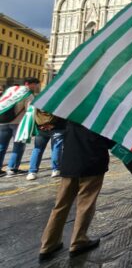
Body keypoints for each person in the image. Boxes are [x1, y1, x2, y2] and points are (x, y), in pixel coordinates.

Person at [39, 120, 114, 262]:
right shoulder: (101, 115)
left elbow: (59, 127)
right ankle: (78, 241)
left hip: (70, 163)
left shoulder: (73, 113)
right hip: (92, 163)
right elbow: (109, 141)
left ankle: (48, 244)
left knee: (60, 205)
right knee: (85, 204)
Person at [0, 78, 40, 175]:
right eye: (35, 84)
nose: (36, 87)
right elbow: (30, 111)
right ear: (28, 84)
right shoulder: (28, 94)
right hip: (17, 123)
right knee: (18, 146)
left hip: (2, 122)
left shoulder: (11, 90)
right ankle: (12, 168)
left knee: (1, 146)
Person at [27, 109, 66, 180]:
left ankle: (32, 172)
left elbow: (30, 114)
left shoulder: (37, 101)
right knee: (56, 148)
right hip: (57, 128)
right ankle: (56, 170)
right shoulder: (57, 101)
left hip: (41, 128)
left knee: (37, 149)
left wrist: (39, 125)